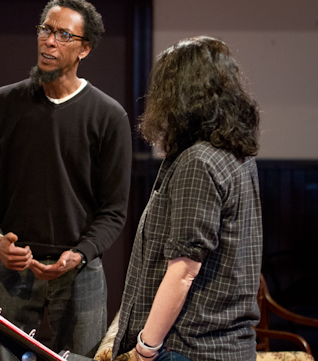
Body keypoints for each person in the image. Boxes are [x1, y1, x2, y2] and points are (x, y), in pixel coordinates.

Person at [0, 0, 132, 360]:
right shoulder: (2, 104)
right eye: (46, 30)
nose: (49, 41)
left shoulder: (108, 116)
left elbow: (114, 209)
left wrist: (80, 253)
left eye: (63, 35)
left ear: (84, 49)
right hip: (13, 267)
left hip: (79, 272)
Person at [93, 36, 263, 361]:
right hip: (225, 347)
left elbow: (184, 270)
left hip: (189, 349)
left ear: (181, 95)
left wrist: (145, 348)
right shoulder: (236, 154)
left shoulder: (199, 161)